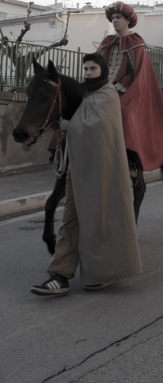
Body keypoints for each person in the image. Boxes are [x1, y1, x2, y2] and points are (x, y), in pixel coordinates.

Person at [31, 54, 142, 296]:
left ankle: (101, 272)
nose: (88, 72)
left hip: (101, 172)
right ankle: (59, 275)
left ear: (101, 70)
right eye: (85, 68)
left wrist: (71, 125)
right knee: (70, 218)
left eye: (93, 68)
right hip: (78, 169)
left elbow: (99, 126)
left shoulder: (108, 95)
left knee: (99, 219)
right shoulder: (84, 95)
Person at [97, 1, 163, 171]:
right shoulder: (107, 43)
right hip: (101, 88)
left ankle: (132, 162)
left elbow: (137, 73)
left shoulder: (137, 44)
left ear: (128, 20)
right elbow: (97, 65)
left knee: (125, 113)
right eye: (112, 18)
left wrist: (117, 87)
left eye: (118, 17)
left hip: (128, 90)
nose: (114, 20)